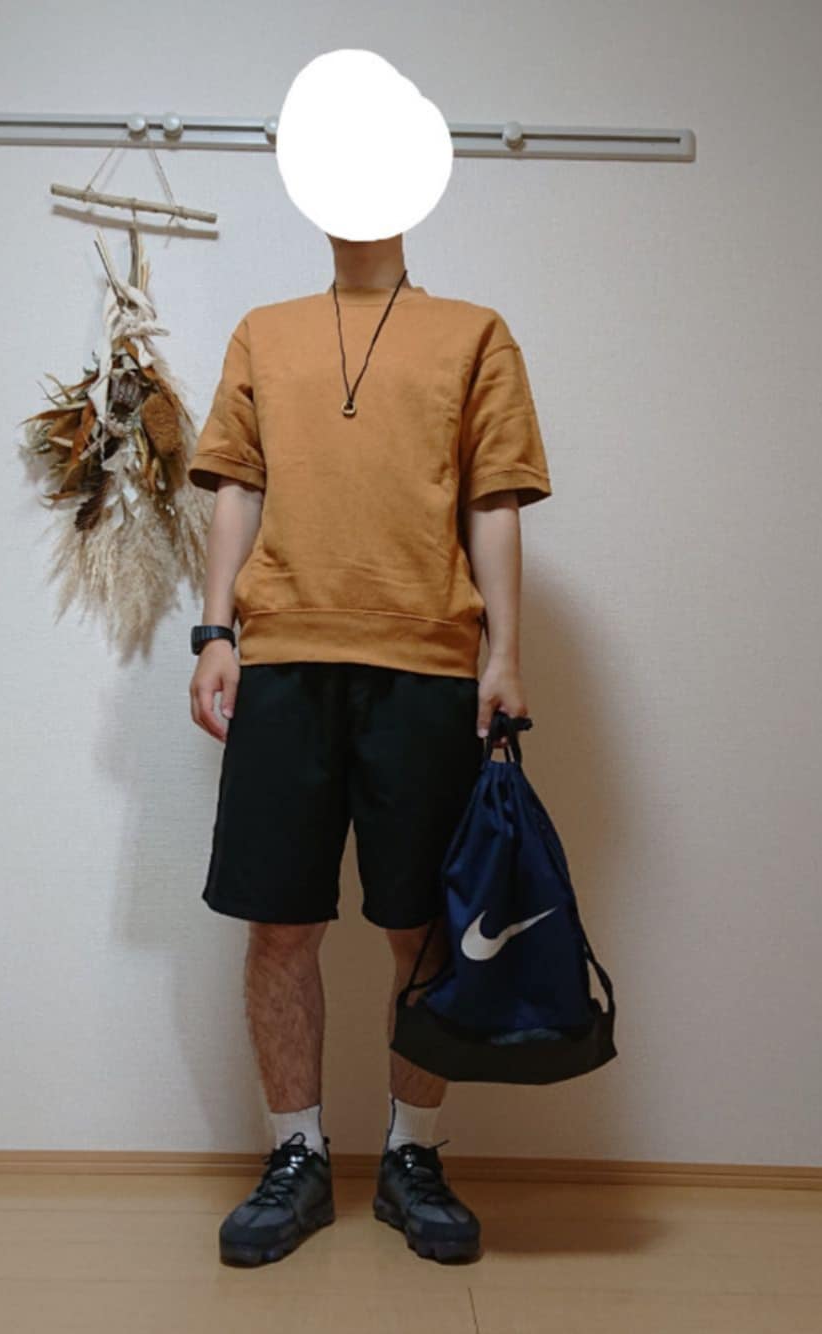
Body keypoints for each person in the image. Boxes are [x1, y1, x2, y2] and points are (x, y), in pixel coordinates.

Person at [187, 231, 552, 1267]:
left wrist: (503, 653)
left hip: (427, 664)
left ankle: (413, 1155)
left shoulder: (475, 333)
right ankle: (296, 1155)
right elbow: (236, 487)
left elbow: (492, 495)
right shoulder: (264, 332)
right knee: (278, 924)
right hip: (282, 660)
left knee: (425, 929)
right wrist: (214, 631)